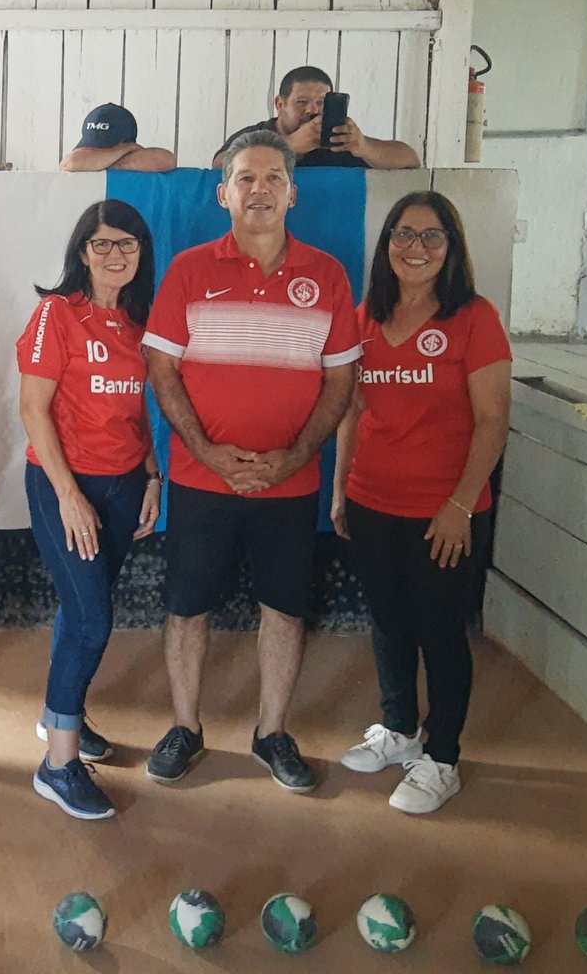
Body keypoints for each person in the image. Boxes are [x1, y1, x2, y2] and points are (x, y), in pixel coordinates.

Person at [143, 130, 360, 793]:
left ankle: (272, 732)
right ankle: (185, 728)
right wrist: (207, 451)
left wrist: (297, 455)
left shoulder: (328, 275)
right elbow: (162, 370)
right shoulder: (188, 270)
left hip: (290, 484)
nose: (259, 189)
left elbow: (340, 381)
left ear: (293, 193)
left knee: (284, 611)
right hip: (199, 479)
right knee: (187, 610)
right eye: (245, 178)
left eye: (272, 178)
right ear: (224, 195)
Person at [331, 191, 511, 814]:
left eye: (432, 236)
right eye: (403, 234)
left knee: (439, 630)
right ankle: (400, 729)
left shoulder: (474, 318)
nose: (416, 247)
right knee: (389, 622)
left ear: (451, 248)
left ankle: (442, 758)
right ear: (387, 245)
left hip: (445, 513)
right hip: (373, 501)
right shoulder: (365, 318)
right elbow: (352, 411)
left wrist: (460, 505)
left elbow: (492, 421)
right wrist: (340, 489)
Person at [18, 200, 161, 820]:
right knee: (91, 619)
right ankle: (57, 766)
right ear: (82, 252)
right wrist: (69, 495)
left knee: (80, 608)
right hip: (63, 485)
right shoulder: (57, 313)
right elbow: (33, 408)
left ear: (140, 253)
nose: (114, 255)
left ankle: (61, 715)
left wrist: (152, 476)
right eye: (102, 244)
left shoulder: (139, 323)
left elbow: (141, 409)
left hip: (124, 485)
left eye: (126, 244)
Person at [212, 66, 420, 170]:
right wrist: (288, 146)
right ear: (280, 104)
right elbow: (219, 165)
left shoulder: (339, 140)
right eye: (301, 102)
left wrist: (363, 146)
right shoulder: (257, 135)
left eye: (321, 103)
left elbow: (410, 160)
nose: (312, 110)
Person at [59, 103, 177, 172]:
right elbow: (69, 163)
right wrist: (124, 151)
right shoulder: (125, 151)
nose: (93, 155)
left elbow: (167, 160)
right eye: (92, 151)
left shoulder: (143, 159)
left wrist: (97, 164)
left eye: (103, 150)